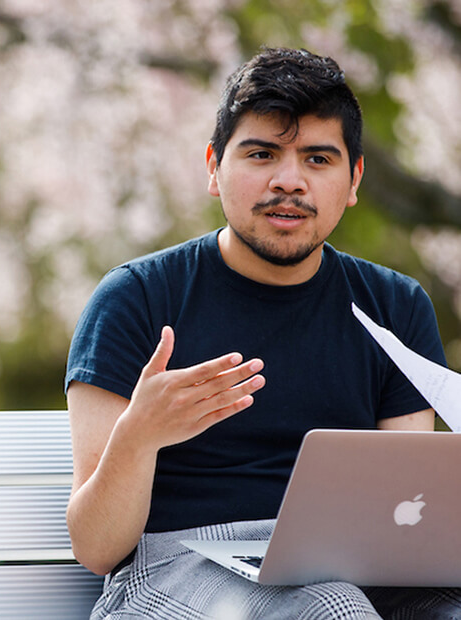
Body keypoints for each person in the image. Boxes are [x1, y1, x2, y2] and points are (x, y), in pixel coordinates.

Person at [65, 47, 461, 618]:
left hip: (350, 562)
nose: (289, 181)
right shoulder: (137, 298)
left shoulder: (396, 306)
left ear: (353, 180)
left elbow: (407, 512)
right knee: (334, 611)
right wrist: (139, 436)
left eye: (318, 159)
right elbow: (97, 548)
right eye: (261, 153)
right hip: (176, 566)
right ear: (212, 167)